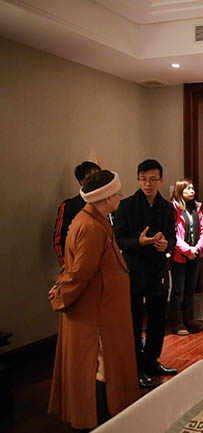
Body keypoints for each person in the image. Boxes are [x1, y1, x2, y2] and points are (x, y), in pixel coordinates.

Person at [48, 170, 139, 429]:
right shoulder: (90, 226)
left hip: (103, 309)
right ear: (107, 198)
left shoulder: (96, 220)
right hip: (95, 314)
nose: (120, 196)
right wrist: (60, 296)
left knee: (103, 367)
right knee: (100, 367)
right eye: (117, 193)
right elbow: (80, 273)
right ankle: (99, 420)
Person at [113, 159, 177, 389]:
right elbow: (118, 239)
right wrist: (139, 242)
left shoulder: (167, 207)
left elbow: (172, 236)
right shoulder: (126, 206)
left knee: (158, 319)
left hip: (158, 269)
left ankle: (152, 362)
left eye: (152, 179)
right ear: (138, 180)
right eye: (143, 179)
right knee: (134, 321)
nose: (148, 184)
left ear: (161, 180)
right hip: (133, 270)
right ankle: (136, 368)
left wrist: (166, 245)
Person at [169, 179, 203, 335]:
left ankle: (189, 319)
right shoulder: (174, 209)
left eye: (192, 188)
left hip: (195, 255)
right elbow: (173, 233)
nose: (192, 191)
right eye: (187, 188)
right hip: (179, 256)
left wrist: (197, 248)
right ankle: (177, 322)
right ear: (179, 191)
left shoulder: (196, 208)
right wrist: (187, 250)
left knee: (190, 287)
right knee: (178, 289)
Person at [53, 161, 100, 267]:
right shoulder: (70, 205)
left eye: (98, 177)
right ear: (81, 181)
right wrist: (67, 267)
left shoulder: (108, 203)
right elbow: (60, 239)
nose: (96, 181)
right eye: (91, 178)